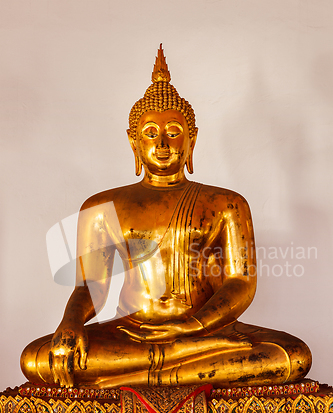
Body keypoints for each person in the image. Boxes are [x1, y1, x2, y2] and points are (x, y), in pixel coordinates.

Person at [21, 45, 311, 389]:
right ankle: (177, 367)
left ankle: (135, 376)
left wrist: (194, 326)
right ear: (133, 142)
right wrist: (70, 324)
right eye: (150, 133)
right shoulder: (102, 206)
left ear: (192, 140)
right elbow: (93, 286)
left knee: (292, 354)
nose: (162, 143)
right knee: (36, 357)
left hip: (204, 330)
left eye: (173, 131)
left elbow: (240, 283)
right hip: (129, 334)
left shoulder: (225, 203)